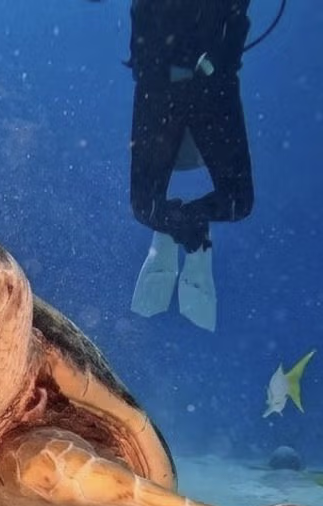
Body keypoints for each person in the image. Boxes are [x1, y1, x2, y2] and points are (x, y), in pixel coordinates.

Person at [126, 0, 254, 331]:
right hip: (164, 84)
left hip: (208, 87)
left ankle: (182, 225)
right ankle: (183, 228)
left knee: (238, 202)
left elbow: (237, 24)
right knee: (145, 207)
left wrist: (220, 66)